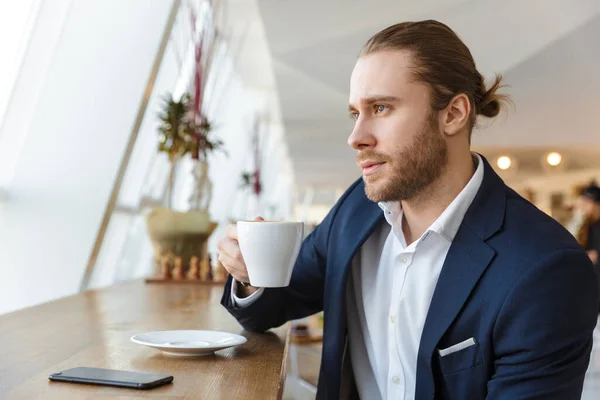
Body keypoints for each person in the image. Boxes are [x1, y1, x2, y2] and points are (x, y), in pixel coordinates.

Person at [217, 20, 599, 400]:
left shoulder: (546, 269)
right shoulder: (356, 210)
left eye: (381, 107)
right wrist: (249, 273)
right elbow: (273, 304)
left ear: (453, 114)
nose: (356, 138)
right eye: (355, 113)